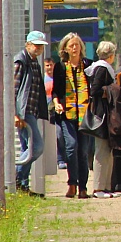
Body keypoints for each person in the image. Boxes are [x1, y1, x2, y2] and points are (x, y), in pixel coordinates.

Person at [87, 41, 121, 198]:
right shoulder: (102, 69)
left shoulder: (101, 68)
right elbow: (95, 90)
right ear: (111, 55)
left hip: (105, 113)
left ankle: (105, 187)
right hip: (102, 114)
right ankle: (98, 188)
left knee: (108, 151)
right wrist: (111, 90)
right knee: (102, 151)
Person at [53, 32, 92, 199]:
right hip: (67, 114)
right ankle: (72, 183)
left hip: (85, 116)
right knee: (71, 148)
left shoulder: (89, 65)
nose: (74, 48)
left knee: (83, 151)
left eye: (77, 45)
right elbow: (56, 90)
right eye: (71, 45)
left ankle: (83, 187)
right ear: (65, 49)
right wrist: (56, 103)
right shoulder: (60, 67)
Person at [13, 30, 50, 195]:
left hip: (31, 111)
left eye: (41, 46)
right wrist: (15, 113)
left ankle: (22, 185)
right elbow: (13, 90)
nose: (39, 49)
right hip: (24, 112)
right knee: (37, 147)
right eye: (36, 45)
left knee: (27, 148)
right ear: (27, 44)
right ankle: (14, 176)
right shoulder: (20, 62)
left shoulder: (34, 62)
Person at [44, 56, 67, 170]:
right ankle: (59, 159)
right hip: (48, 112)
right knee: (56, 136)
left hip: (59, 110)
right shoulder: (44, 79)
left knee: (61, 135)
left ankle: (62, 158)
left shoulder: (58, 78)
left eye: (51, 65)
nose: (49, 67)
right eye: (47, 65)